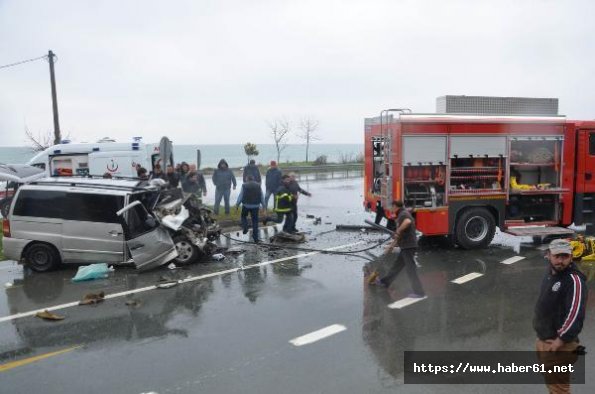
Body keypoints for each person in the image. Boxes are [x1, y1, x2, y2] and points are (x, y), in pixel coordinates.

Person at [533, 238, 586, 394]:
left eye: (565, 256)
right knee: (553, 385)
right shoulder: (551, 273)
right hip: (544, 340)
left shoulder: (574, 280)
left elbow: (575, 313)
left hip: (559, 345)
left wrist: (560, 339)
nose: (561, 261)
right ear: (548, 255)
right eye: (557, 256)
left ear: (571, 257)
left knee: (559, 389)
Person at [372, 200, 425, 298]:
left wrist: (399, 229)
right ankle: (385, 282)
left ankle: (419, 292)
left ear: (395, 206)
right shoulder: (401, 213)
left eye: (391, 207)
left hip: (408, 246)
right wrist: (392, 245)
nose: (391, 209)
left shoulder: (402, 214)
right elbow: (399, 235)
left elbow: (408, 222)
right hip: (406, 246)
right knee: (396, 266)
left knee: (411, 270)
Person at [235, 175, 265, 243]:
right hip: (256, 206)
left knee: (243, 216)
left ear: (247, 179)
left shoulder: (244, 185)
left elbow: (241, 195)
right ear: (253, 179)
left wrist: (237, 204)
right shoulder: (258, 185)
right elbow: (261, 196)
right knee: (255, 221)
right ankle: (256, 238)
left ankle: (245, 227)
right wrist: (264, 206)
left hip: (246, 205)